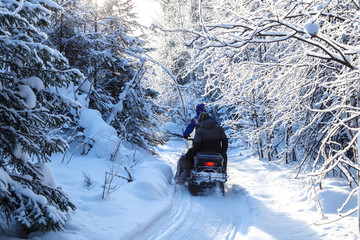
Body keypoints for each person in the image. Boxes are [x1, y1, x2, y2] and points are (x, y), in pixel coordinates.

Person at [175, 112, 228, 183]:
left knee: (188, 156)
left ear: (201, 120)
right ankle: (224, 171)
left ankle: (186, 173)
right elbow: (225, 141)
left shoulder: (200, 130)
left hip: (202, 152)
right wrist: (223, 151)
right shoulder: (219, 128)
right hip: (216, 151)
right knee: (224, 157)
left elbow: (197, 144)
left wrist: (193, 153)